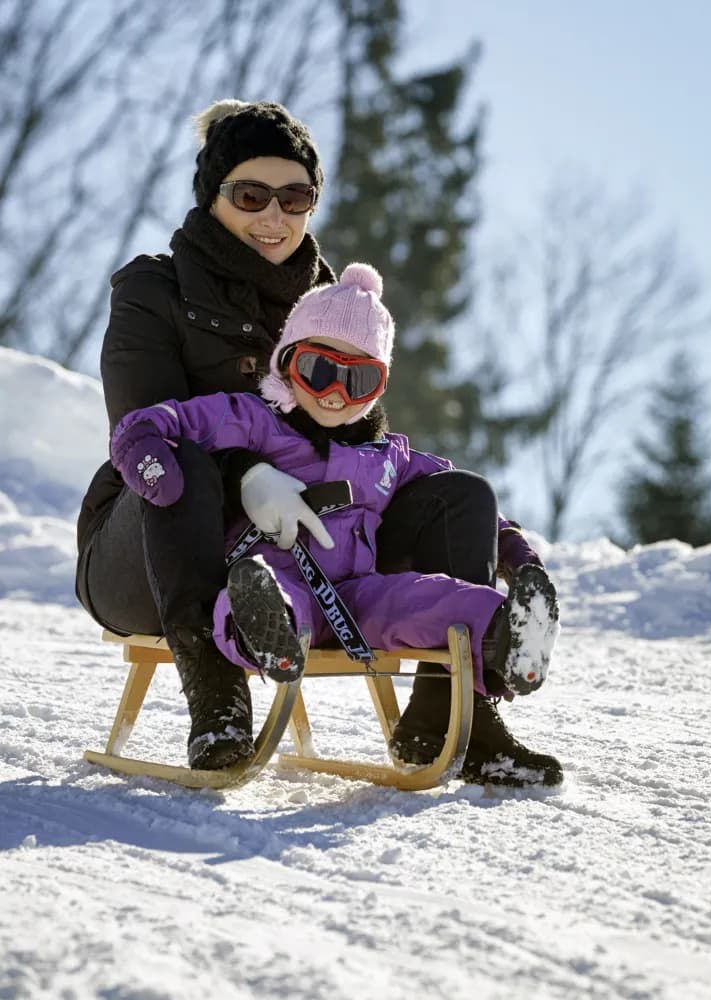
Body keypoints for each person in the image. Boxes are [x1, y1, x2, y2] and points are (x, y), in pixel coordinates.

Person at [76, 99, 563, 786]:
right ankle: (216, 699)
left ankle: (455, 714)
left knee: (453, 493)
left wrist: (503, 539)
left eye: (295, 197)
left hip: (305, 547)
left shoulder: (332, 301)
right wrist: (247, 472)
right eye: (251, 195)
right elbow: (145, 429)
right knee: (182, 462)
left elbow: (363, 435)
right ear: (212, 193)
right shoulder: (154, 289)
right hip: (154, 547)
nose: (274, 217)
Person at [109, 264, 561, 774]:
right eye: (318, 371)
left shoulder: (388, 455)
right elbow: (149, 424)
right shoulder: (251, 418)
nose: (335, 393)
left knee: (427, 597)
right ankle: (265, 629)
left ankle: (507, 634)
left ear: (379, 385)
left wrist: (521, 560)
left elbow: (485, 513)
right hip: (281, 578)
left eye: (360, 379)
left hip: (357, 594)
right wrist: (152, 467)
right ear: (285, 362)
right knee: (261, 596)